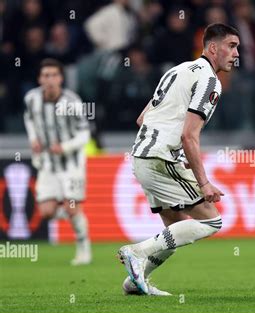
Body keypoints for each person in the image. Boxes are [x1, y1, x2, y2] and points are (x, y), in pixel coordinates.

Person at [117, 23, 240, 295]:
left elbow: (142, 119)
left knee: (174, 228)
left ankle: (135, 282)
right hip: (159, 159)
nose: (236, 53)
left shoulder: (177, 70)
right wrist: (204, 183)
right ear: (212, 47)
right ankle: (137, 251)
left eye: (237, 47)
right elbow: (189, 136)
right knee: (212, 221)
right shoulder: (210, 81)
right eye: (231, 46)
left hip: (143, 156)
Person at [23, 58, 92, 265]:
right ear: (39, 79)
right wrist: (33, 139)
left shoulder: (72, 102)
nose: (50, 79)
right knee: (46, 212)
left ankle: (83, 247)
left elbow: (85, 134)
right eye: (46, 75)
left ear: (61, 78)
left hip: (71, 164)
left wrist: (64, 147)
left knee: (71, 207)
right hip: (47, 164)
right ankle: (76, 217)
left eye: (54, 75)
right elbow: (29, 119)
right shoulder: (31, 98)